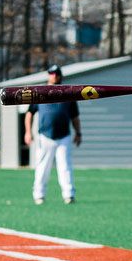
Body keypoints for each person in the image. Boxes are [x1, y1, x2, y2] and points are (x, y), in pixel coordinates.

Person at [24, 65, 81, 204]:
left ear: (60, 76)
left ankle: (69, 194)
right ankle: (39, 195)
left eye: (56, 73)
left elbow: (75, 117)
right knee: (42, 167)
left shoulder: (69, 93)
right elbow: (29, 114)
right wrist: (28, 132)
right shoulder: (40, 92)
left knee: (65, 166)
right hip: (45, 136)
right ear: (48, 75)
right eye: (51, 73)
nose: (54, 76)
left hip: (64, 136)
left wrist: (78, 133)